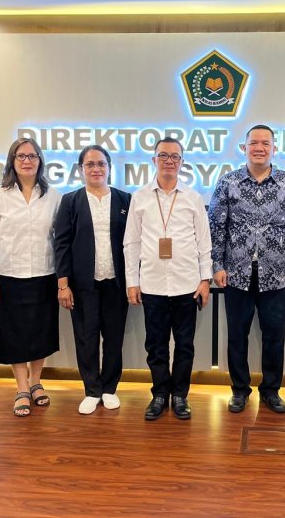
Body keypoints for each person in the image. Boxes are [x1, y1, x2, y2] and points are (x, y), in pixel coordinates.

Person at [208, 124, 285, 414]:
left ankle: (271, 391)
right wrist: (217, 264)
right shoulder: (228, 183)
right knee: (237, 335)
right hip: (236, 273)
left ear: (274, 148)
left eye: (265, 143)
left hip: (277, 274)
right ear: (245, 148)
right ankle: (239, 390)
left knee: (274, 335)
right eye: (254, 143)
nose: (259, 148)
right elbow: (216, 227)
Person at [123, 137, 212, 421]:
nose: (169, 161)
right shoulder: (140, 197)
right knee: (156, 344)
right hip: (152, 285)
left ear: (182, 162)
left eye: (175, 157)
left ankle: (180, 395)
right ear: (154, 160)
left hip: (188, 284)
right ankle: (160, 393)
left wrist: (205, 279)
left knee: (185, 345)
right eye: (164, 155)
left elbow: (204, 242)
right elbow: (131, 243)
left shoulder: (193, 198)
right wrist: (132, 281)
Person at [0, 137, 61, 417]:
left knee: (40, 330)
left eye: (33, 156)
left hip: (44, 273)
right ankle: (22, 388)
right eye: (21, 156)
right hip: (8, 275)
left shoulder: (52, 195)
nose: (27, 161)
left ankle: (37, 382)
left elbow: (58, 238)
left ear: (40, 161)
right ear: (12, 162)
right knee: (14, 332)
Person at [54, 145, 131, 415]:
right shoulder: (70, 201)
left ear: (109, 167)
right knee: (85, 337)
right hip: (82, 284)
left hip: (116, 283)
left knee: (113, 337)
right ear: (81, 169)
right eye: (90, 164)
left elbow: (134, 244)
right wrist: (63, 285)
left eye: (101, 163)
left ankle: (109, 388)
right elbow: (61, 244)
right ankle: (91, 390)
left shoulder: (125, 200)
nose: (96, 169)